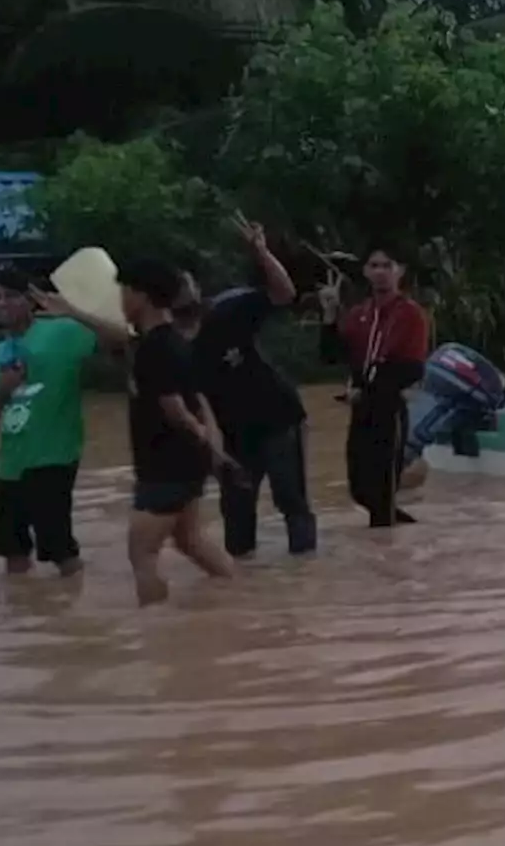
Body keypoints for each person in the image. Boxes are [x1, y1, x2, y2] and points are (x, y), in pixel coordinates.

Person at [172, 216, 317, 560]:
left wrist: (262, 254)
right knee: (236, 521)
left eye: (186, 283)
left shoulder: (227, 310)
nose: (183, 290)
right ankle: (242, 595)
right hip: (231, 437)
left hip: (277, 419)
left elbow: (284, 295)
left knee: (291, 500)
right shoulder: (166, 346)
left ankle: (306, 577)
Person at [120, 258, 235, 606]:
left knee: (142, 553)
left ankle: (154, 627)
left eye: (124, 291)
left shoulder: (155, 348)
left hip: (165, 464)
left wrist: (205, 441)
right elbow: (196, 401)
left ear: (142, 296)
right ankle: (238, 596)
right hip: (182, 461)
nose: (120, 299)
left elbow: (177, 410)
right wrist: (211, 449)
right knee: (190, 540)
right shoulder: (175, 341)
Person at [0, 269, 100, 576]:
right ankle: (21, 614)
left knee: (61, 551)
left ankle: (72, 613)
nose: (2, 303)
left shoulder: (64, 332)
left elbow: (118, 339)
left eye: (11, 295)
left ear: (30, 300)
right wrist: (4, 390)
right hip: (10, 466)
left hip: (54, 457)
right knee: (12, 553)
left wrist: (74, 311)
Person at [340, 246, 429, 527]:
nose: (380, 272)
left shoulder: (410, 314)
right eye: (374, 265)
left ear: (399, 271)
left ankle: (389, 556)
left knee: (381, 489)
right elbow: (332, 354)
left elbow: (412, 368)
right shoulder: (359, 313)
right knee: (359, 488)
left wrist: (366, 390)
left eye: (386, 265)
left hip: (388, 410)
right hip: (361, 409)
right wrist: (329, 317)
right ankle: (396, 528)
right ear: (366, 271)